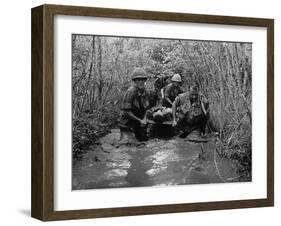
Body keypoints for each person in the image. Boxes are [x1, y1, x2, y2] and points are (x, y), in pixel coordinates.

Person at [119, 68, 150, 141]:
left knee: (144, 140)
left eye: (142, 80)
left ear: (145, 80)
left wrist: (144, 119)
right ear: (135, 81)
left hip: (138, 123)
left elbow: (147, 108)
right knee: (129, 144)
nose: (141, 82)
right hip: (127, 123)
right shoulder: (130, 92)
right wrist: (140, 120)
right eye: (138, 80)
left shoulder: (146, 92)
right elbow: (126, 111)